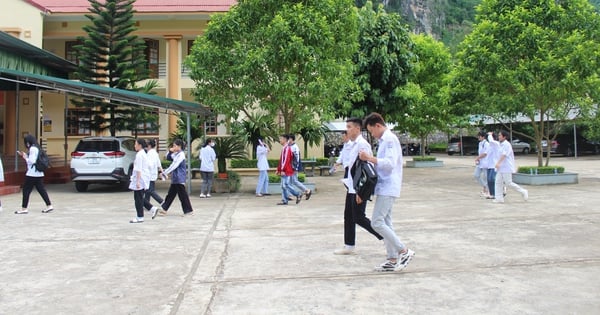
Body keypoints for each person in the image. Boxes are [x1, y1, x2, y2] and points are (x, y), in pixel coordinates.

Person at [358, 113, 414, 272]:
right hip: (384, 186)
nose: (372, 134)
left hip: (389, 186)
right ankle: (391, 258)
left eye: (371, 131)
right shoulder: (385, 140)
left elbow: (389, 164)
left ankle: (404, 251)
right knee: (386, 223)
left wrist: (370, 158)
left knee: (376, 222)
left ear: (378, 125)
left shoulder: (389, 140)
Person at [334, 118, 383, 255]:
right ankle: (349, 245)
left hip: (359, 188)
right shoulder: (353, 144)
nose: (347, 130)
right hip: (351, 186)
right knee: (348, 216)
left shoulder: (362, 145)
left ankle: (385, 237)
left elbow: (367, 169)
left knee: (359, 217)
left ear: (357, 128)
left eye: (349, 127)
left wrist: (362, 192)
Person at [15, 135, 54, 214]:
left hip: (32, 174)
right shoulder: (38, 148)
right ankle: (49, 205)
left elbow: (32, 161)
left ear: (28, 142)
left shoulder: (32, 149)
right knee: (42, 190)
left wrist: (25, 157)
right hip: (39, 173)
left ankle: (24, 208)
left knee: (26, 190)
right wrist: (26, 156)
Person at [489, 130, 528, 203]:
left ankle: (523, 191)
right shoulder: (500, 144)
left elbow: (504, 155)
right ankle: (499, 198)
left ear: (504, 137)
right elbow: (492, 142)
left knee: (508, 183)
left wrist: (498, 163)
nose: (499, 137)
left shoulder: (507, 144)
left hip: (506, 167)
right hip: (500, 168)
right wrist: (490, 135)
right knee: (498, 182)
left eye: (500, 135)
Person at [158, 139, 194, 216]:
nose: (173, 147)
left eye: (175, 145)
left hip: (179, 178)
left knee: (182, 195)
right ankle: (164, 208)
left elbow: (174, 165)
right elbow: (168, 157)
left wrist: (164, 173)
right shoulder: (176, 154)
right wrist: (170, 151)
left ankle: (188, 210)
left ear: (179, 146)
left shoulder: (181, 155)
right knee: (170, 195)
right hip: (175, 178)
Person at [129, 138, 158, 223]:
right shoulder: (143, 154)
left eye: (135, 144)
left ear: (140, 145)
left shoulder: (139, 155)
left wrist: (137, 181)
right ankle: (152, 208)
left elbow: (138, 169)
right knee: (139, 197)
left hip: (140, 179)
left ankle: (140, 216)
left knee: (138, 199)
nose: (134, 146)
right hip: (143, 178)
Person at [276, 134, 301, 205]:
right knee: (283, 185)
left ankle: (297, 194)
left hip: (287, 170)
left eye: (281, 139)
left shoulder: (287, 148)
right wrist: (278, 169)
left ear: (284, 139)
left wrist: (282, 170)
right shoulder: (284, 148)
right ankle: (285, 200)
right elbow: (282, 160)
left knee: (285, 184)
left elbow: (286, 160)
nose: (280, 140)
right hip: (285, 169)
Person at [288, 134, 312, 200]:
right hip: (290, 167)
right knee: (290, 181)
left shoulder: (295, 147)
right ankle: (289, 195)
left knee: (294, 181)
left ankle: (307, 190)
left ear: (291, 139)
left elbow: (297, 158)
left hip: (293, 167)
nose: (287, 140)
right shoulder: (290, 146)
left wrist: (295, 167)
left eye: (288, 139)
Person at [145, 139, 164, 207]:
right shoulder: (155, 153)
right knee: (147, 190)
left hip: (149, 174)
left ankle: (161, 201)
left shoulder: (150, 153)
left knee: (150, 190)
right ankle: (147, 204)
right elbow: (159, 163)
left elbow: (150, 165)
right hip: (153, 174)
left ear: (149, 145)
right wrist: (162, 171)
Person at [474, 131, 490, 198]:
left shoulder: (486, 144)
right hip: (480, 163)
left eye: (479, 136)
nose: (478, 137)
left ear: (483, 137)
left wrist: (478, 157)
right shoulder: (480, 143)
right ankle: (485, 187)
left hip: (485, 163)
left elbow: (485, 153)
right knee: (476, 175)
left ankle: (487, 190)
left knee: (486, 177)